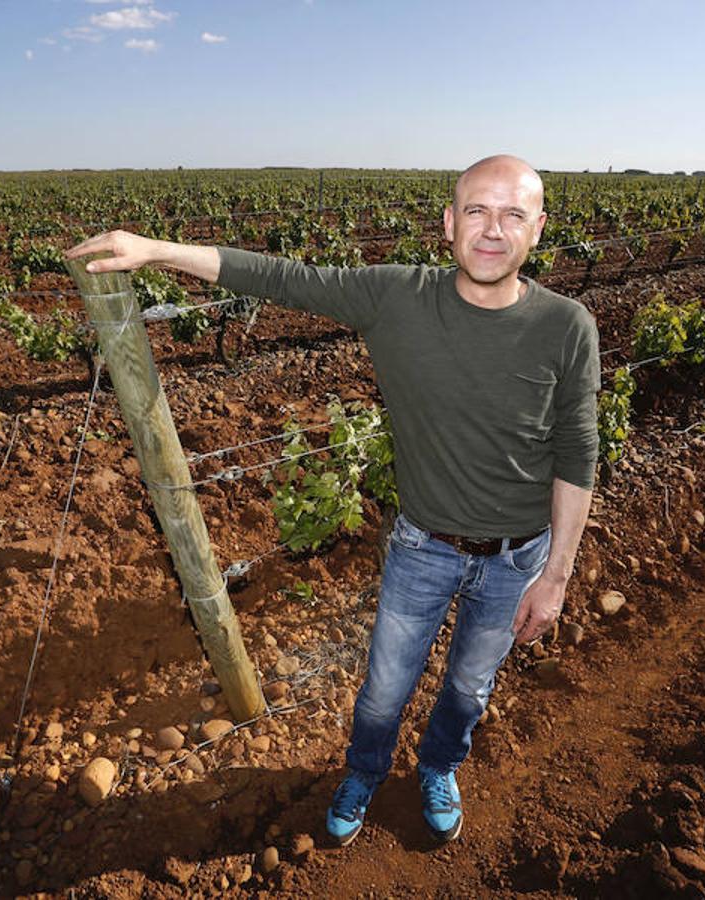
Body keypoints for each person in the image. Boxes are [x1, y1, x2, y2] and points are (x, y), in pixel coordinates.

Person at [66, 155, 599, 846]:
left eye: (513, 214)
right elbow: (284, 277)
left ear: (538, 230)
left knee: (470, 690)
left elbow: (576, 455)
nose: (492, 230)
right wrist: (158, 251)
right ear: (449, 223)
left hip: (515, 560)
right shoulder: (395, 297)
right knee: (382, 690)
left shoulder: (567, 325)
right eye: (477, 210)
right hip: (423, 549)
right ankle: (366, 769)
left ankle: (438, 766)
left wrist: (553, 578)